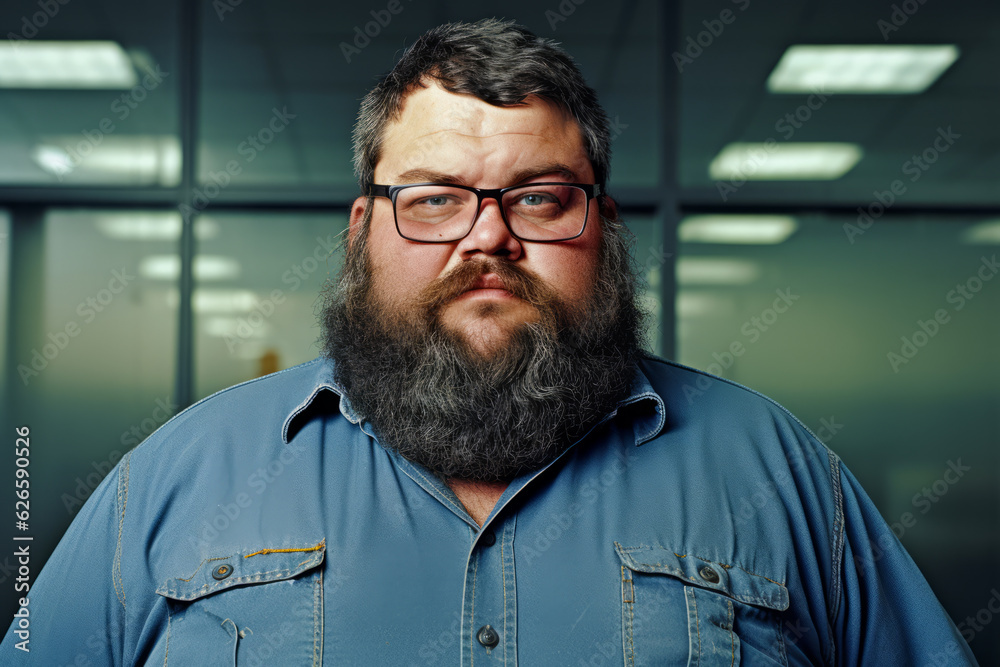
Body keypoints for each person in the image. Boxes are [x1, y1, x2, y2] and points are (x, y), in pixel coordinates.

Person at [1, 19, 977, 666]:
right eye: (433, 198)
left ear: (603, 227)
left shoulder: (778, 471)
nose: (487, 236)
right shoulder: (178, 476)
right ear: (361, 229)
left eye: (539, 198)